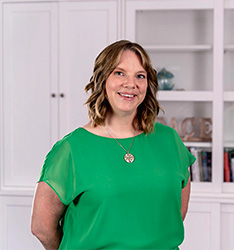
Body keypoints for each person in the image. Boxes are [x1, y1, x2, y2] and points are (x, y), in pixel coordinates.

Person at [31, 40, 195, 250]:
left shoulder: (169, 140)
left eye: (140, 76)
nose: (131, 83)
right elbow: (42, 227)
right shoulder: (71, 149)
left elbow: (175, 213)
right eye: (119, 73)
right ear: (102, 80)